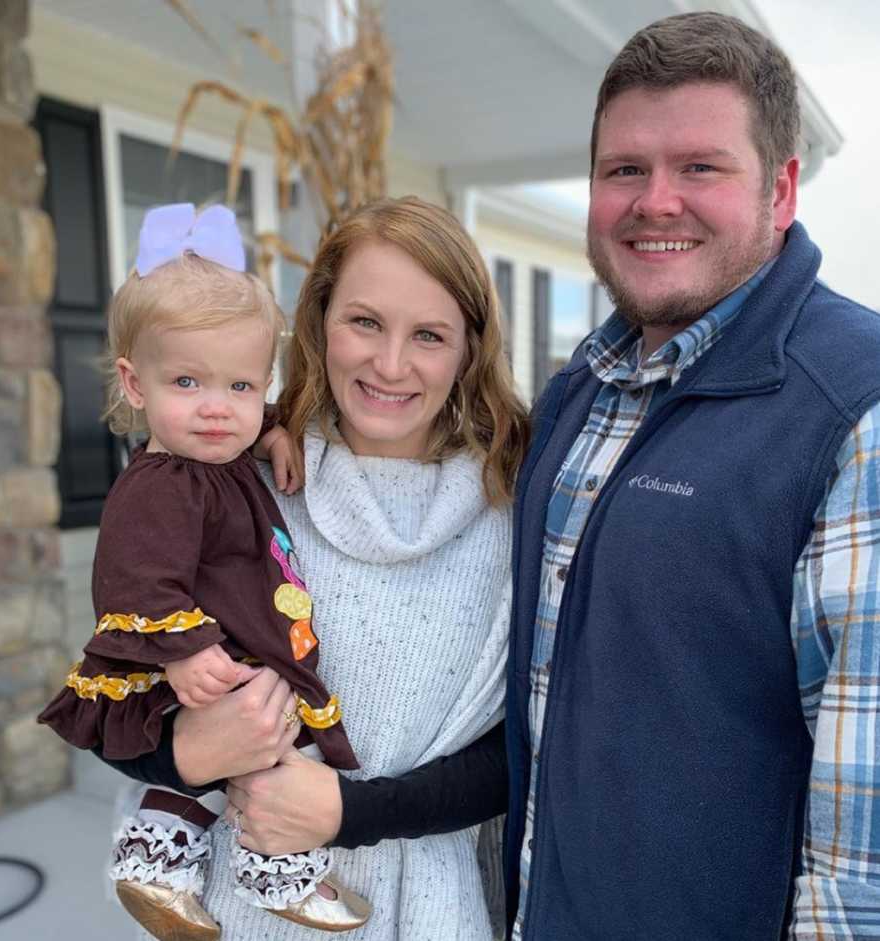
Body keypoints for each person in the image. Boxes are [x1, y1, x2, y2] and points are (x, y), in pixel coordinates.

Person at [502, 11, 880, 941]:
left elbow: (861, 861)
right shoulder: (578, 393)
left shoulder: (854, 407)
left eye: (700, 168)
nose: (654, 201)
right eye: (624, 169)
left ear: (781, 189)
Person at [96, 195, 530, 941]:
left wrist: (347, 811)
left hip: (423, 905)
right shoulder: (229, 479)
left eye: (429, 334)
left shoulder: (512, 509)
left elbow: (517, 751)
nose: (390, 364)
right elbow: (114, 687)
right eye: (364, 321)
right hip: (235, 903)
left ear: (469, 349)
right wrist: (186, 751)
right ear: (319, 322)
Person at [38, 203, 372, 939]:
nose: (218, 409)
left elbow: (249, 412)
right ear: (134, 383)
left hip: (243, 637)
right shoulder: (164, 481)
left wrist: (277, 426)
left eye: (241, 387)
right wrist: (183, 649)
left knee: (262, 748)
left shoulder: (218, 448)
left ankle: (170, 859)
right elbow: (134, 574)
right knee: (274, 746)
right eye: (186, 383)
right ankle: (251, 864)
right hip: (205, 649)